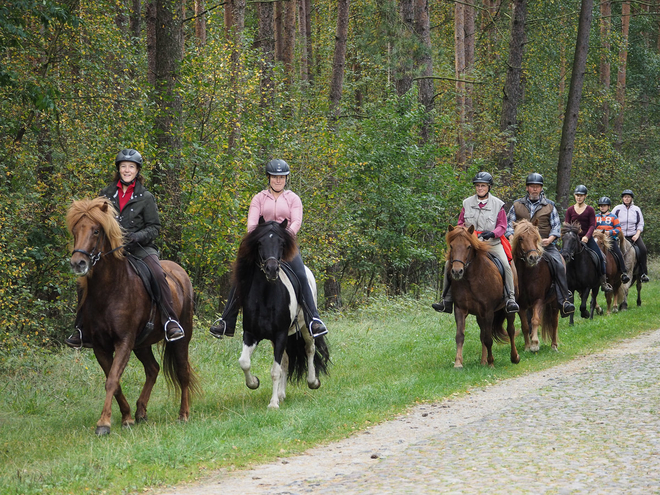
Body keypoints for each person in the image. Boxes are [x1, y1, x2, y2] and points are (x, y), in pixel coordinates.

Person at [65, 148, 185, 348]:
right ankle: (80, 329)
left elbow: (154, 227)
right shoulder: (105, 194)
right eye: (123, 167)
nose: (127, 170)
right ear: (118, 169)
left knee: (156, 273)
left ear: (137, 171)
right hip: (110, 250)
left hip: (139, 248)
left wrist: (136, 237)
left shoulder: (146, 197)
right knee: (83, 281)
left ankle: (169, 320)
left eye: (131, 167)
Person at [209, 159, 328, 340]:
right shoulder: (258, 198)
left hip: (285, 246)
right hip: (263, 248)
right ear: (268, 178)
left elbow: (296, 221)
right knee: (241, 275)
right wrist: (260, 239)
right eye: (274, 177)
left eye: (281, 177)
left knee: (302, 275)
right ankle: (227, 321)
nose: (278, 180)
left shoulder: (293, 198)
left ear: (286, 178)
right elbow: (251, 224)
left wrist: (284, 237)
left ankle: (314, 320)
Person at [432, 171, 520, 314]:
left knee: (506, 264)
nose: (480, 188)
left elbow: (503, 226)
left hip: (491, 242)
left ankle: (510, 298)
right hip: (470, 244)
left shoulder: (498, 204)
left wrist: (493, 233)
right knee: (449, 263)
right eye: (478, 186)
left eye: (483, 186)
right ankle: (445, 300)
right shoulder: (467, 203)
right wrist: (463, 232)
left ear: (489, 187)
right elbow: (461, 222)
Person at [504, 172, 576, 316]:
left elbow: (556, 226)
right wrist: (511, 236)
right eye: (532, 187)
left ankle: (564, 300)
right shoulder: (517, 205)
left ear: (541, 188)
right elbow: (508, 225)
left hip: (544, 244)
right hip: (522, 246)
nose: (535, 189)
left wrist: (550, 239)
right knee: (503, 265)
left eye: (537, 187)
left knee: (559, 264)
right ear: (527, 188)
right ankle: (505, 299)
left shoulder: (549, 206)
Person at [564, 185, 613, 293]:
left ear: (585, 196)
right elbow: (567, 224)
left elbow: (592, 225)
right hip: (573, 239)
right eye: (577, 195)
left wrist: (587, 236)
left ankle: (603, 282)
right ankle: (562, 282)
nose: (579, 197)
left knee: (600, 257)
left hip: (588, 238)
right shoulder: (570, 210)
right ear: (574, 196)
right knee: (563, 256)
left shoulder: (590, 209)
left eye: (581, 195)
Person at [612, 189, 650, 282]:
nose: (626, 198)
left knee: (643, 250)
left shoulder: (636, 209)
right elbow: (612, 220)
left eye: (628, 197)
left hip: (633, 235)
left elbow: (640, 224)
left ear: (631, 198)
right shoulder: (617, 209)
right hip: (620, 236)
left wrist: (637, 234)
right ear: (622, 198)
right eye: (625, 197)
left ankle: (643, 273)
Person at [595, 196, 630, 284]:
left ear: (609, 207)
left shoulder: (613, 217)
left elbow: (618, 228)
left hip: (610, 240)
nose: (602, 207)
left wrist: (609, 232)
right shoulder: (596, 217)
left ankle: (623, 272)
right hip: (598, 240)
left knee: (618, 253)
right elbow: (592, 227)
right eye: (601, 205)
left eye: (605, 205)